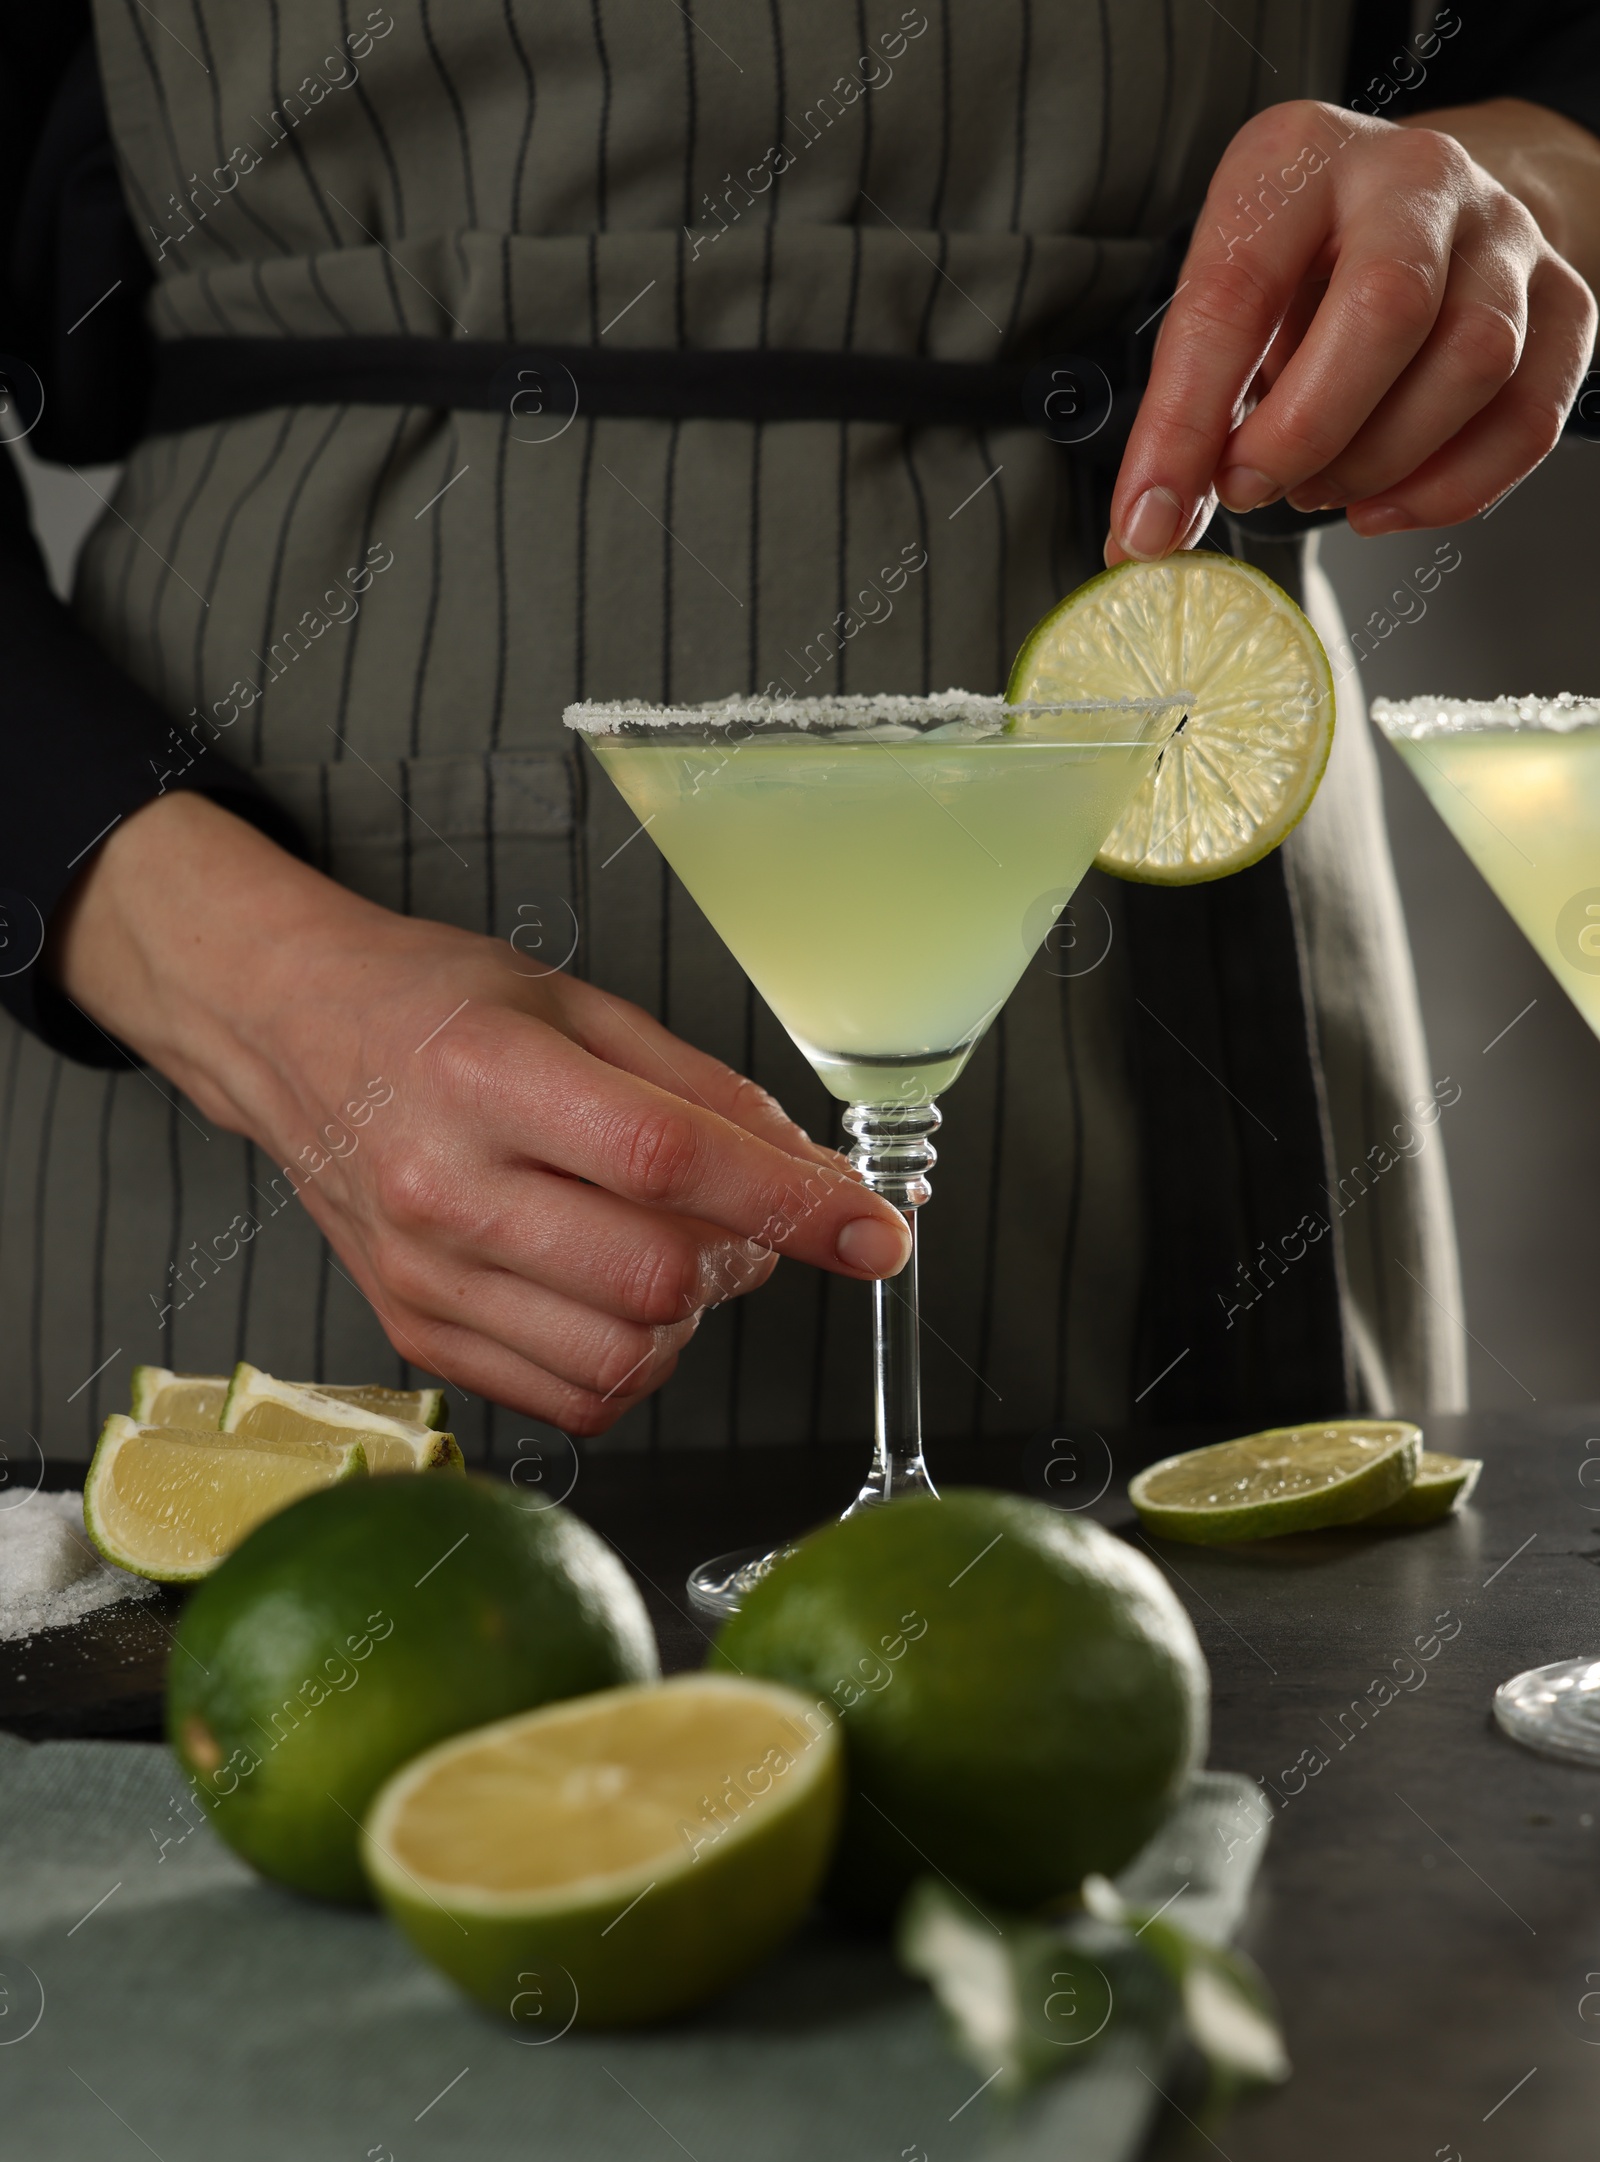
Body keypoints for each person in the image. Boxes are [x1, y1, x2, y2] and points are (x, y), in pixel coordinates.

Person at [2, 2, 1597, 1468]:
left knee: (1232, 1725)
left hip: (1198, 891)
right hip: (252, 991)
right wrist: (264, 996)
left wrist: (1503, 191)